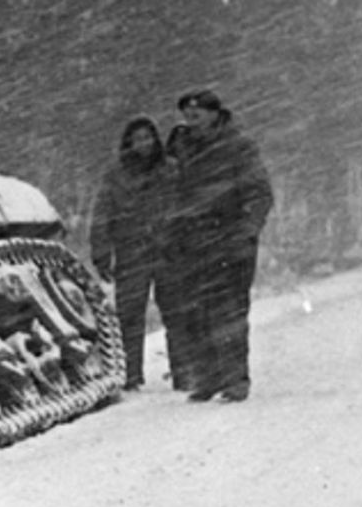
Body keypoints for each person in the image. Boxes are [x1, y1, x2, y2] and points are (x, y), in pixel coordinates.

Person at [168, 89, 273, 403]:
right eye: (187, 114)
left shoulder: (239, 147)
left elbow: (259, 194)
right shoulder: (181, 150)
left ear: (215, 114)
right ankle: (209, 377)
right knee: (196, 313)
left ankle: (235, 378)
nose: (191, 118)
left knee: (230, 311)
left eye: (197, 112)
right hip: (191, 242)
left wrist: (245, 232)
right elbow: (172, 194)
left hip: (229, 239)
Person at [90, 116, 185, 391]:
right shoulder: (116, 175)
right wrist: (101, 252)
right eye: (138, 139)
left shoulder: (171, 170)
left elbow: (185, 207)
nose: (144, 144)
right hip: (131, 251)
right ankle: (130, 375)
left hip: (168, 250)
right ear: (128, 144)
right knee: (129, 315)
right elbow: (102, 214)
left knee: (175, 313)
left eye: (148, 138)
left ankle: (182, 370)